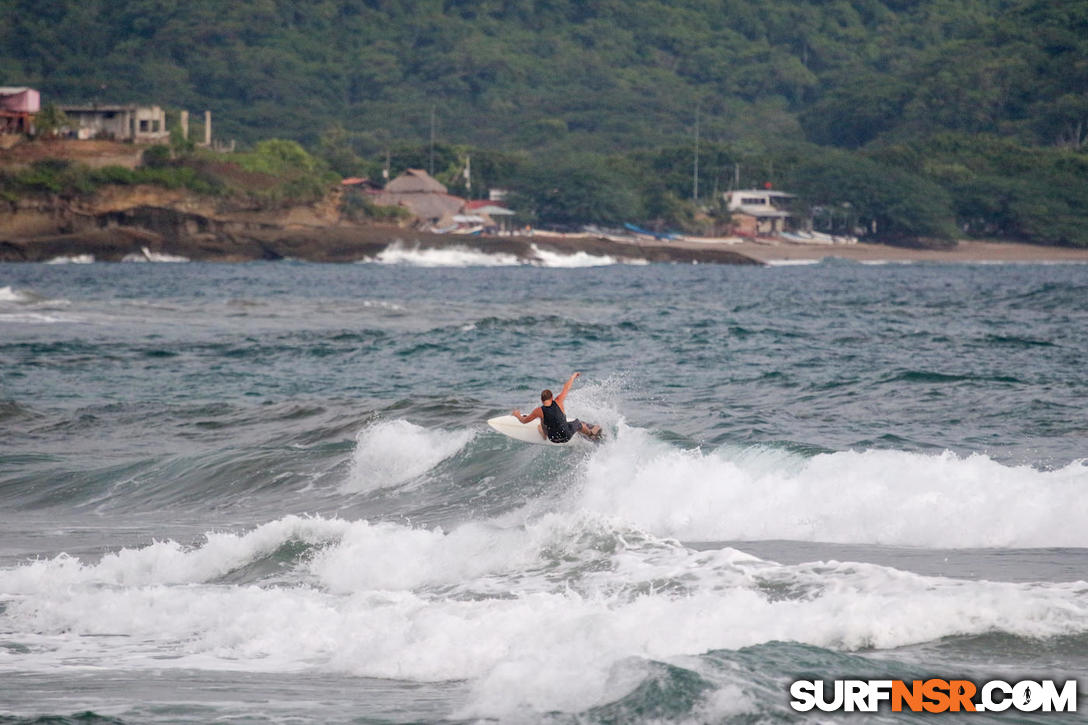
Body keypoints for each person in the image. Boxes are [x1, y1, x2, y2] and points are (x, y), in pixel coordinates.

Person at [512, 372, 602, 443]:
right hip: (567, 436)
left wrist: (517, 415)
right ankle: (591, 434)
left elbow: (524, 421)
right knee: (578, 423)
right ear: (552, 397)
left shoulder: (538, 411)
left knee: (542, 420)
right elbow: (566, 387)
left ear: (541, 400)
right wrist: (573, 377)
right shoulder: (558, 401)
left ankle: (544, 434)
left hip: (553, 438)